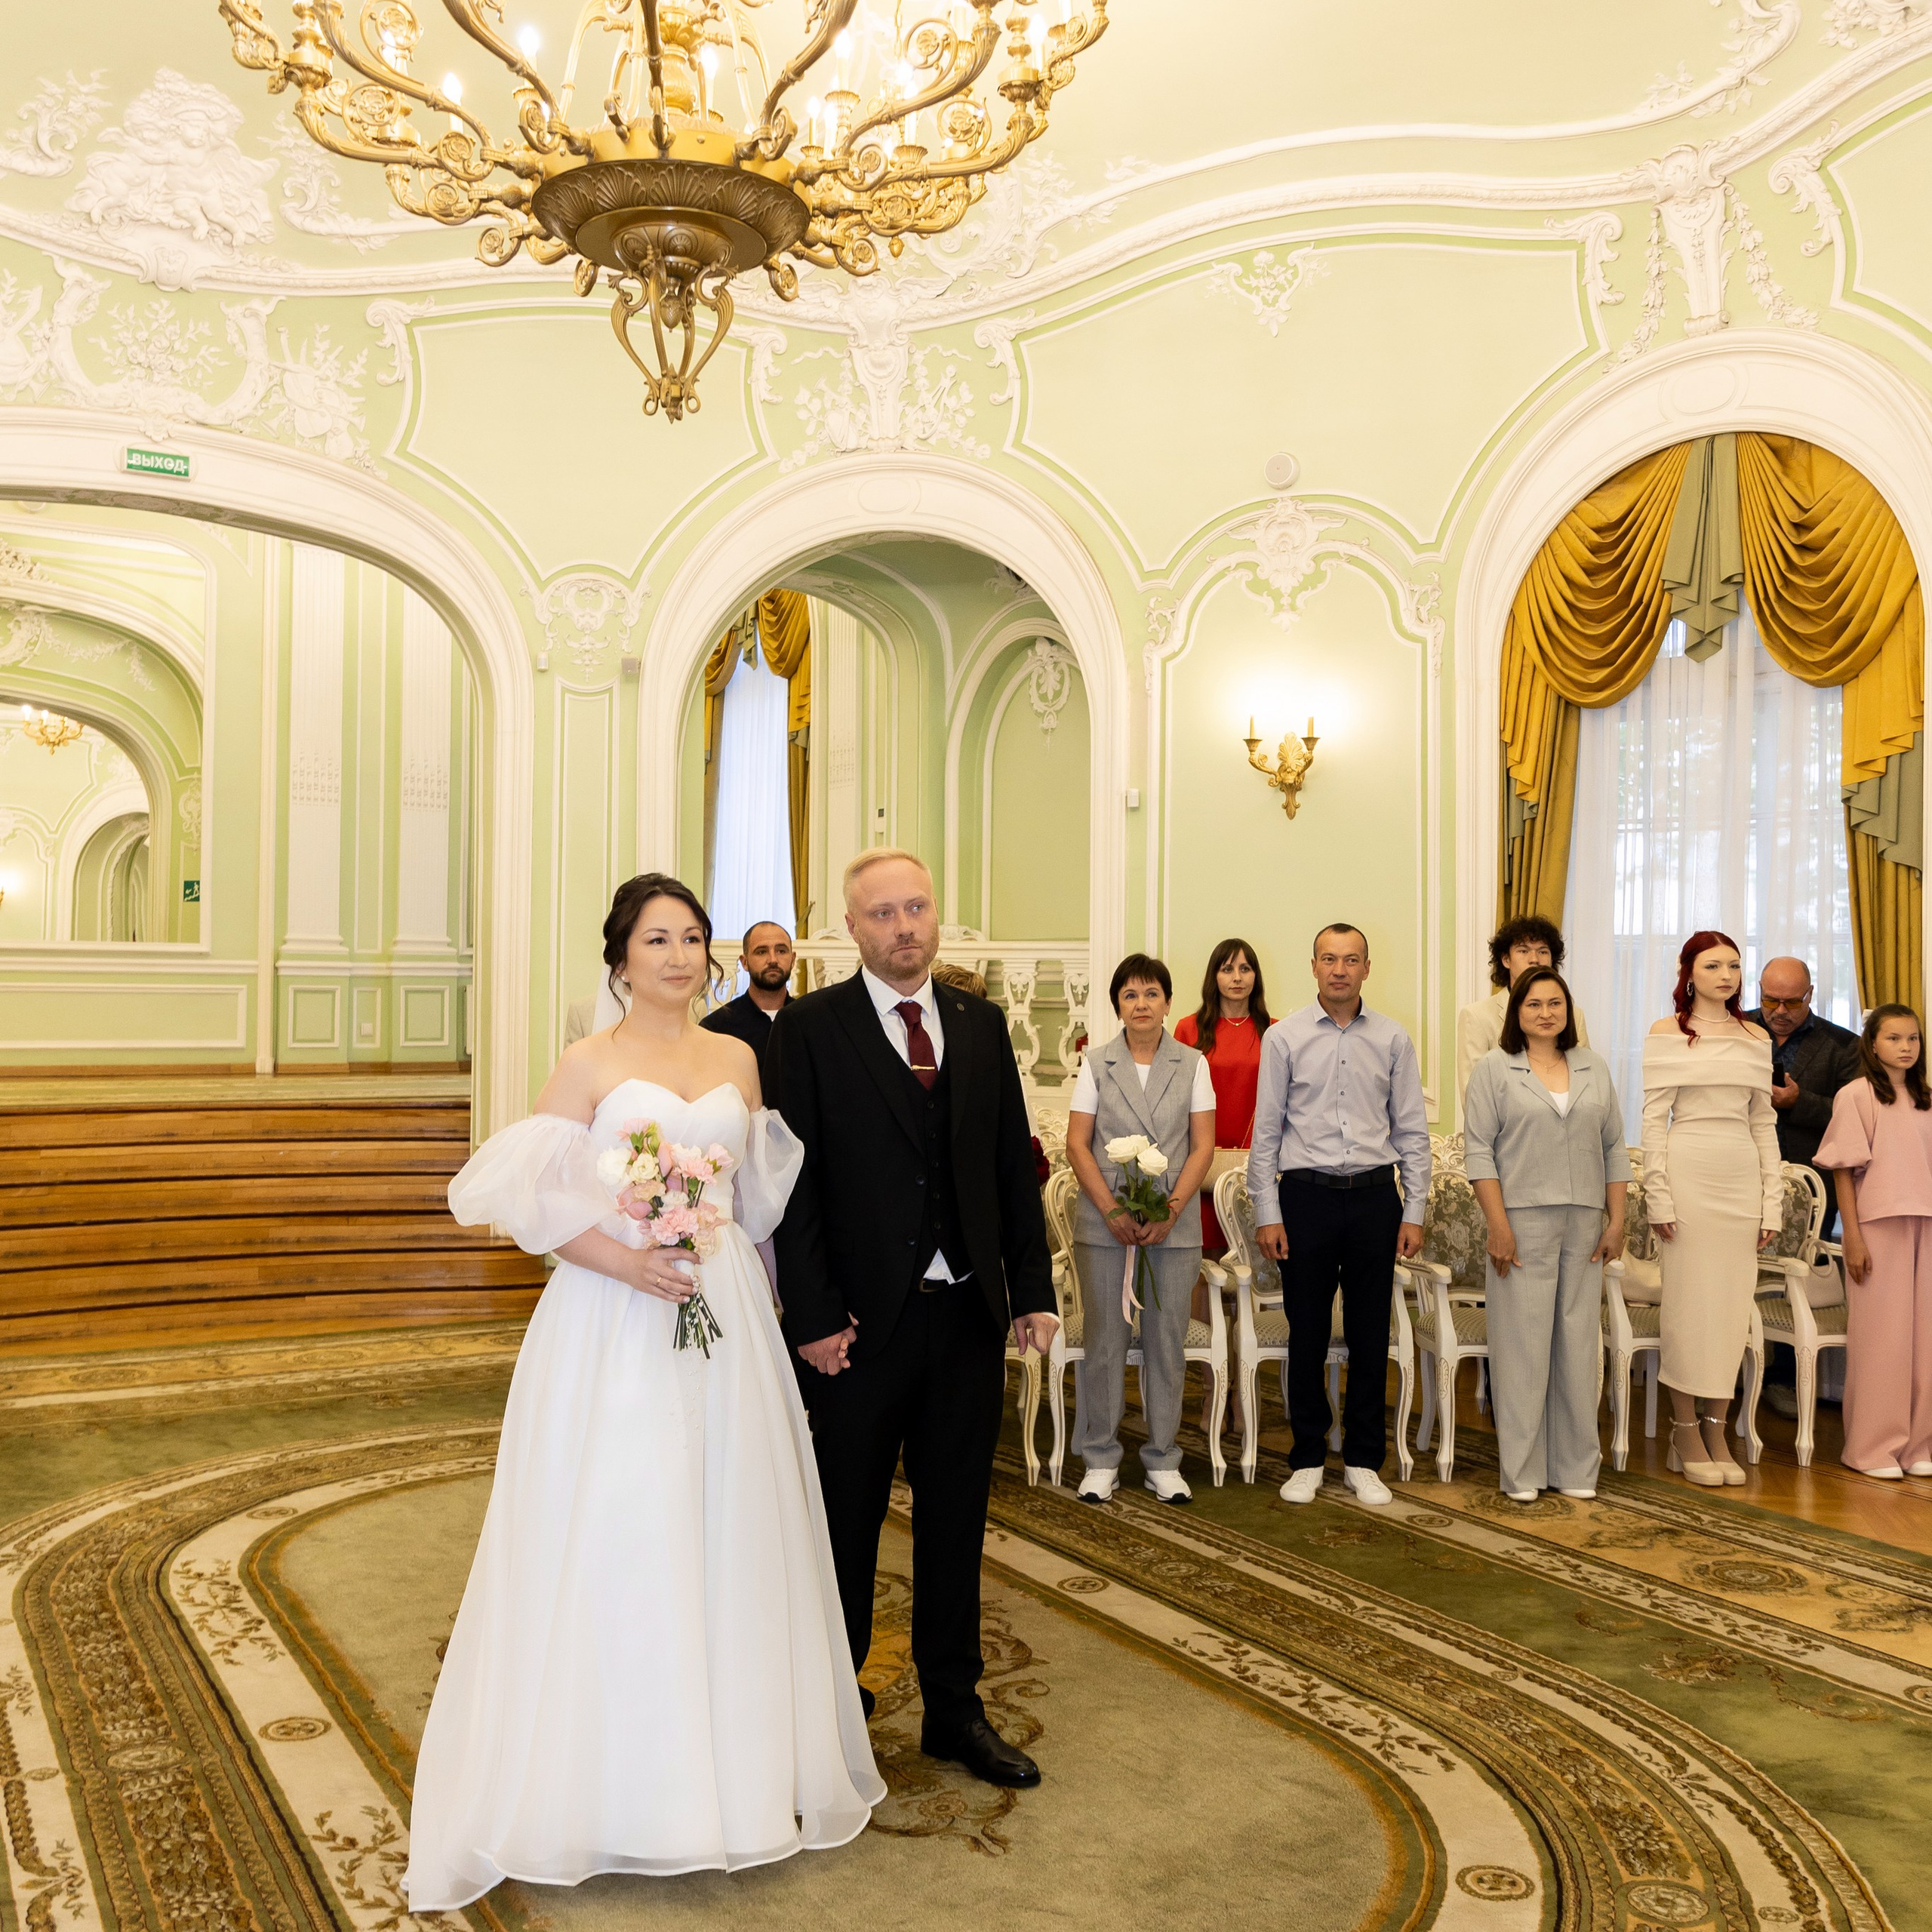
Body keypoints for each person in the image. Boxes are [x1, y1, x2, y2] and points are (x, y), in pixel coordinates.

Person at [405, 874, 882, 1912]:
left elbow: (755, 1202)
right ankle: (616, 1788)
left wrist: (720, 1259)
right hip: (614, 1313)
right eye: (657, 938)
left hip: (721, 1312)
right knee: (627, 1522)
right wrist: (626, 1262)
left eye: (693, 937)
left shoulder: (737, 1057)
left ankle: (737, 1779)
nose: (678, 954)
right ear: (620, 957)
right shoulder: (589, 1062)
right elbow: (521, 1199)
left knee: (728, 1521)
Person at [765, 850, 1058, 1791]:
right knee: (843, 1521)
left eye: (917, 908)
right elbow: (791, 1184)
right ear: (850, 929)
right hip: (852, 1331)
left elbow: (1011, 1169)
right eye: (883, 913)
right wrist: (809, 1315)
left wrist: (1034, 1289)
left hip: (965, 1318)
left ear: (937, 916)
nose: (904, 927)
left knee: (955, 1520)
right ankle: (834, 1704)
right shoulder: (810, 1028)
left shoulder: (979, 1023)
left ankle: (953, 1709)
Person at [1249, 924, 1430, 1507]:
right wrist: (1268, 1212)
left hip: (1377, 1198)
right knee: (1306, 1330)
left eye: (1351, 960)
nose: (1340, 970)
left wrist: (1415, 1209)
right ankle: (1305, 1457)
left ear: (1367, 969)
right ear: (1313, 966)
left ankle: (1362, 1459)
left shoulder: (1394, 1038)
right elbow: (1266, 1132)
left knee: (1369, 1332)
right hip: (1306, 1197)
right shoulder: (1284, 1037)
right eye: (1329, 959)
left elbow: (1412, 1131)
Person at [1463, 968, 1629, 1502]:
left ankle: (1576, 1470)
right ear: (1517, 1012)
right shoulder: (1495, 1068)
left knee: (1578, 1348)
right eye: (1533, 1004)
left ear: (1568, 1010)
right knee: (1523, 1349)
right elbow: (1479, 1153)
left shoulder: (1593, 1067)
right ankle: (1524, 1472)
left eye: (1555, 1003)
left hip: (1584, 1223)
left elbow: (1614, 1149)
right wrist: (1498, 1226)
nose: (1545, 1013)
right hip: (1520, 1220)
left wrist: (1618, 1220)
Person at [1064, 953, 1217, 1505]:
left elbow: (1203, 1146)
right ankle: (1100, 1456)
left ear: (1168, 1003)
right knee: (1105, 1341)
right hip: (1106, 1225)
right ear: (1118, 1006)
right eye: (1130, 995)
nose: (1142, 1004)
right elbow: (1077, 1144)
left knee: (1166, 1344)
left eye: (1151, 994)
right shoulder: (1097, 1062)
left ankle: (1163, 1458)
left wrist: (1171, 1209)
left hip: (1172, 1228)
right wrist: (1111, 1210)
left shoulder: (1193, 1063)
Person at [1641, 931, 1781, 1488]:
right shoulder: (1666, 1033)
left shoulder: (1755, 1036)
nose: (1726, 976)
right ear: (1689, 973)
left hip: (1741, 1177)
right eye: (1713, 965)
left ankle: (1716, 1427)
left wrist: (1772, 1204)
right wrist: (1658, 1195)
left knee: (1727, 1310)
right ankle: (1683, 1429)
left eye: (1734, 966)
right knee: (1688, 1307)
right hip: (1688, 1170)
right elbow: (1654, 1122)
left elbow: (1763, 1121)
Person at [1814, 1004, 1932, 1480]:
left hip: (1927, 1223)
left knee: (1925, 1340)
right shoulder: (1856, 1096)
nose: (1906, 1048)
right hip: (1878, 1226)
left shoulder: (1926, 1097)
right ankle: (1871, 1448)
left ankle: (1919, 1445)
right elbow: (1844, 1171)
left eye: (1914, 1039)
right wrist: (1854, 1239)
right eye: (1895, 1038)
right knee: (1883, 1340)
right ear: (1872, 1043)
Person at [1743, 956, 1860, 1418]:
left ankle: (1783, 1378)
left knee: (1798, 1277)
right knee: (1736, 1272)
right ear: (1759, 991)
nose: (1780, 1010)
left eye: (1792, 1001)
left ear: (1810, 996)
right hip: (1739, 1173)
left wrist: (1799, 1102)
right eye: (1771, 999)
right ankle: (1730, 1372)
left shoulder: (1842, 1045)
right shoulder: (1737, 1031)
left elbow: (1852, 1116)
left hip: (1813, 1188)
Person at [1174, 937, 1272, 1257]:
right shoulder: (1188, 1029)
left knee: (1257, 1259)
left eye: (1245, 969)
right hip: (1201, 1160)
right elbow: (1176, 1099)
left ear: (1256, 977)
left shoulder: (1275, 1031)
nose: (1237, 978)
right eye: (1228, 969)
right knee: (1203, 1262)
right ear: (1214, 976)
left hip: (1257, 1162)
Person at [1454, 915, 1589, 1109]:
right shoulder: (1477, 1016)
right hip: (1507, 1133)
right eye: (1523, 951)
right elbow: (1475, 1099)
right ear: (1506, 960)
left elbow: (1585, 1085)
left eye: (1543, 951)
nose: (1534, 959)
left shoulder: (1573, 1015)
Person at [700, 919, 796, 1086]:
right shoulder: (716, 1029)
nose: (773, 960)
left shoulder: (811, 1023)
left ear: (793, 959)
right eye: (761, 952)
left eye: (781, 951)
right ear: (745, 962)